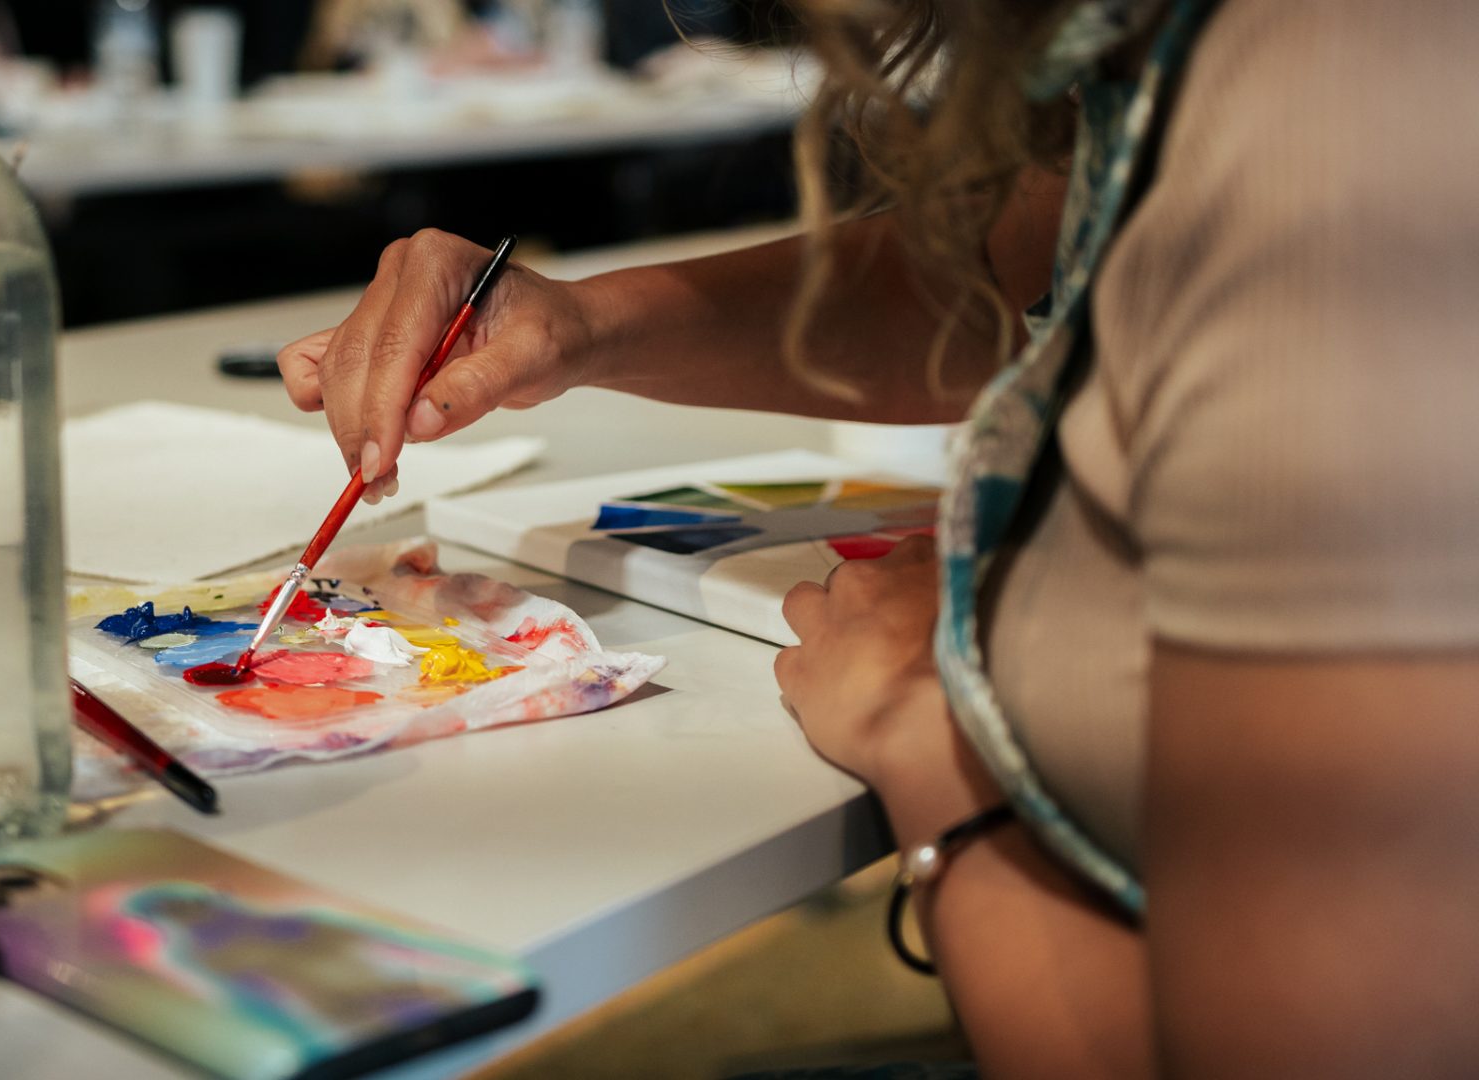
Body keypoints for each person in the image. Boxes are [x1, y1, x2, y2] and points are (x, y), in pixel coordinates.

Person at [275, 0, 1479, 1074]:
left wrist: (930, 742)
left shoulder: (1341, 141)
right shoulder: (1161, 52)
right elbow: (992, 285)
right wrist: (580, 325)